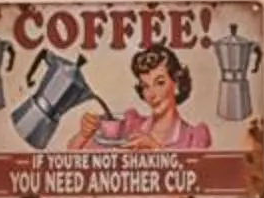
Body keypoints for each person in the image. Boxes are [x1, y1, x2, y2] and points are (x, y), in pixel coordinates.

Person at [72, 44, 212, 152]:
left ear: (176, 84)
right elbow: (71, 156)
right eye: (145, 86)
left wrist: (156, 150)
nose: (151, 94)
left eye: (160, 83)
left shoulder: (193, 137)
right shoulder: (130, 124)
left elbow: (200, 179)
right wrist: (84, 134)